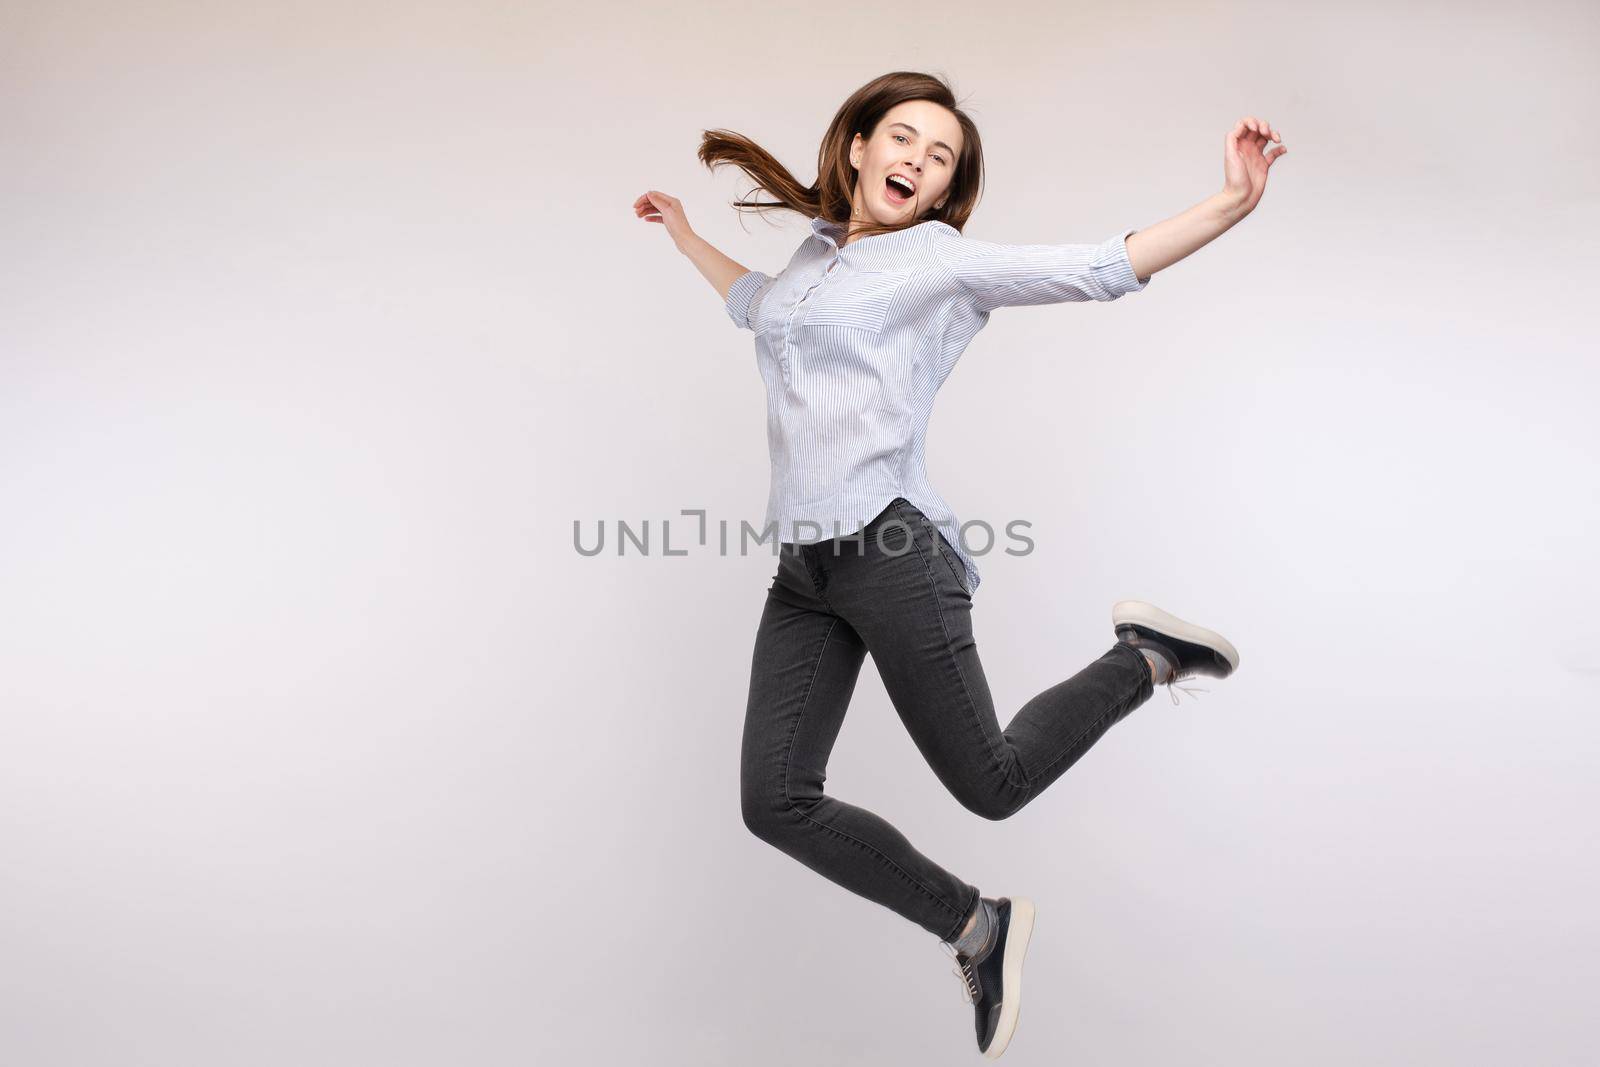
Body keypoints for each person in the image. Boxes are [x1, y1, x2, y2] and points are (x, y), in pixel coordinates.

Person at [632, 70, 1283, 1059]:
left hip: (892, 551)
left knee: (992, 782)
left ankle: (1142, 655)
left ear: (943, 193)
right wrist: (683, 235)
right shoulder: (809, 265)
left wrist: (1230, 203)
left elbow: (1096, 266)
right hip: (804, 571)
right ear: (855, 146)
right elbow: (755, 307)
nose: (917, 162)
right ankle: (976, 924)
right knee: (775, 801)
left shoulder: (933, 262)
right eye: (902, 138)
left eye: (939, 158)